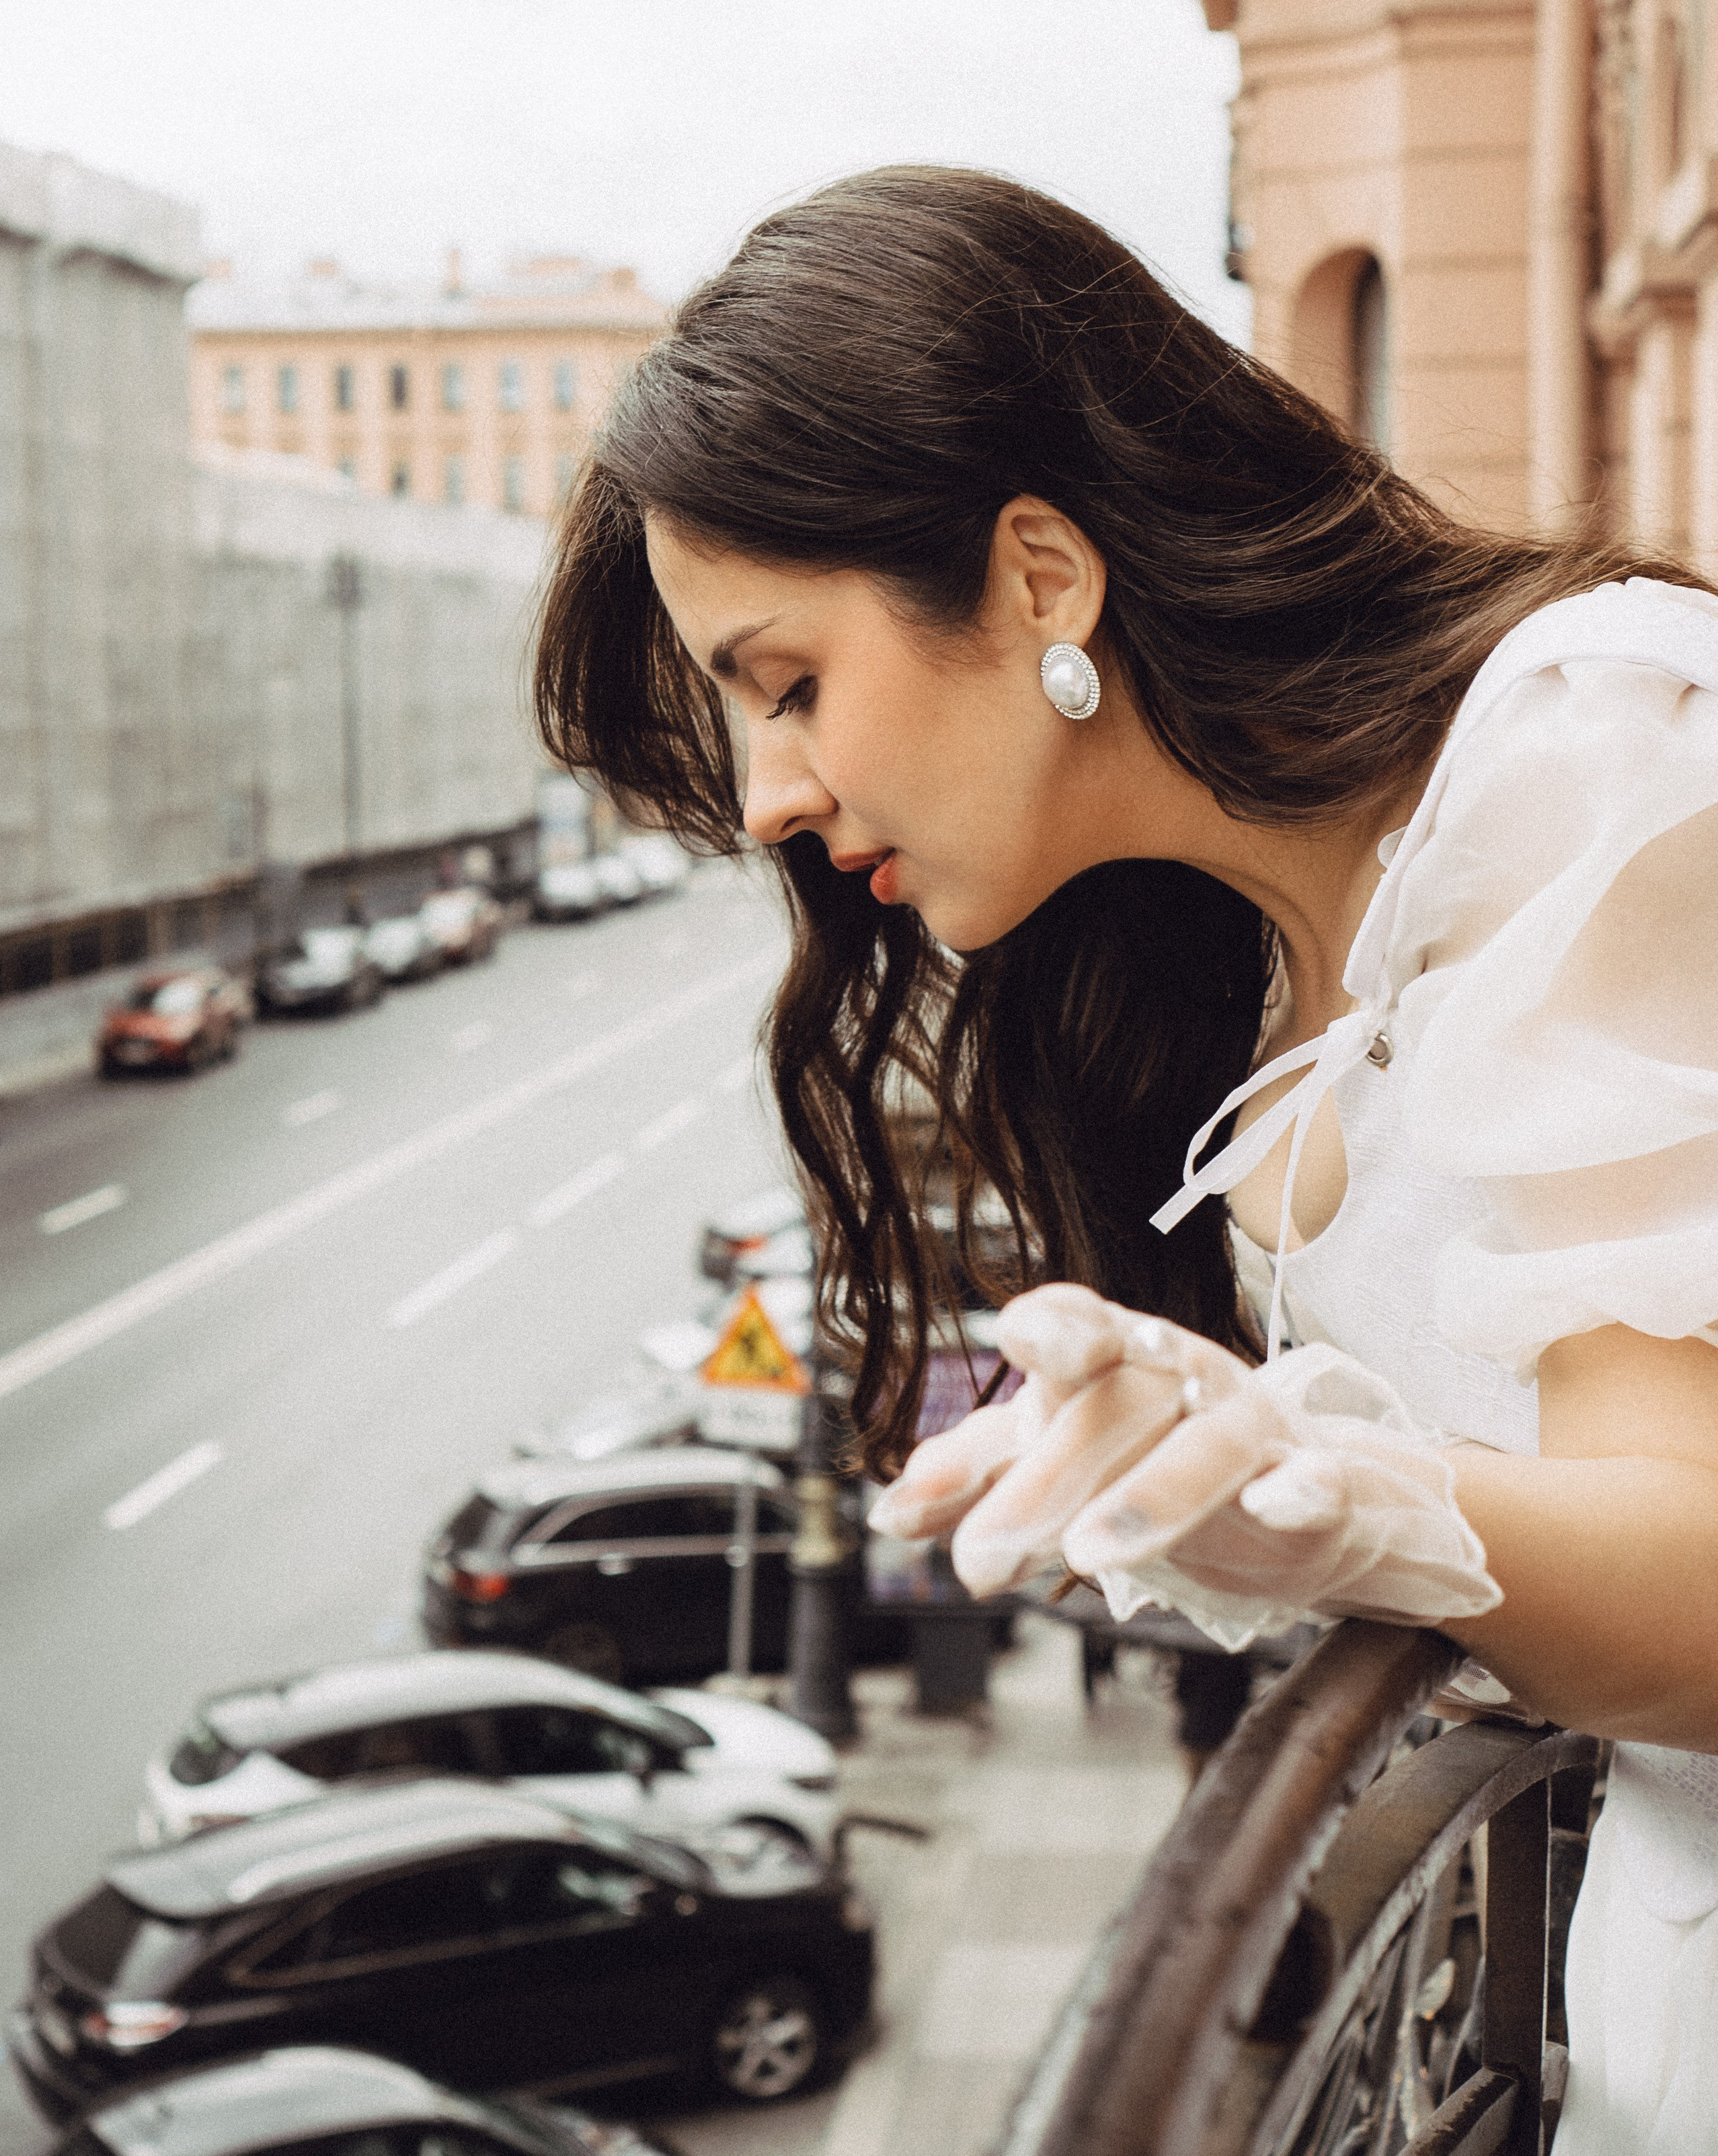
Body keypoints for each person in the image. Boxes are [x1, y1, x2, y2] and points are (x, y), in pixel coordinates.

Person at [534, 166, 1718, 2153]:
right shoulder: (1235, 978)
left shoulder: (1583, 754)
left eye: (789, 685)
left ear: (1039, 578)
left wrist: (1342, 1495)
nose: (767, 799)